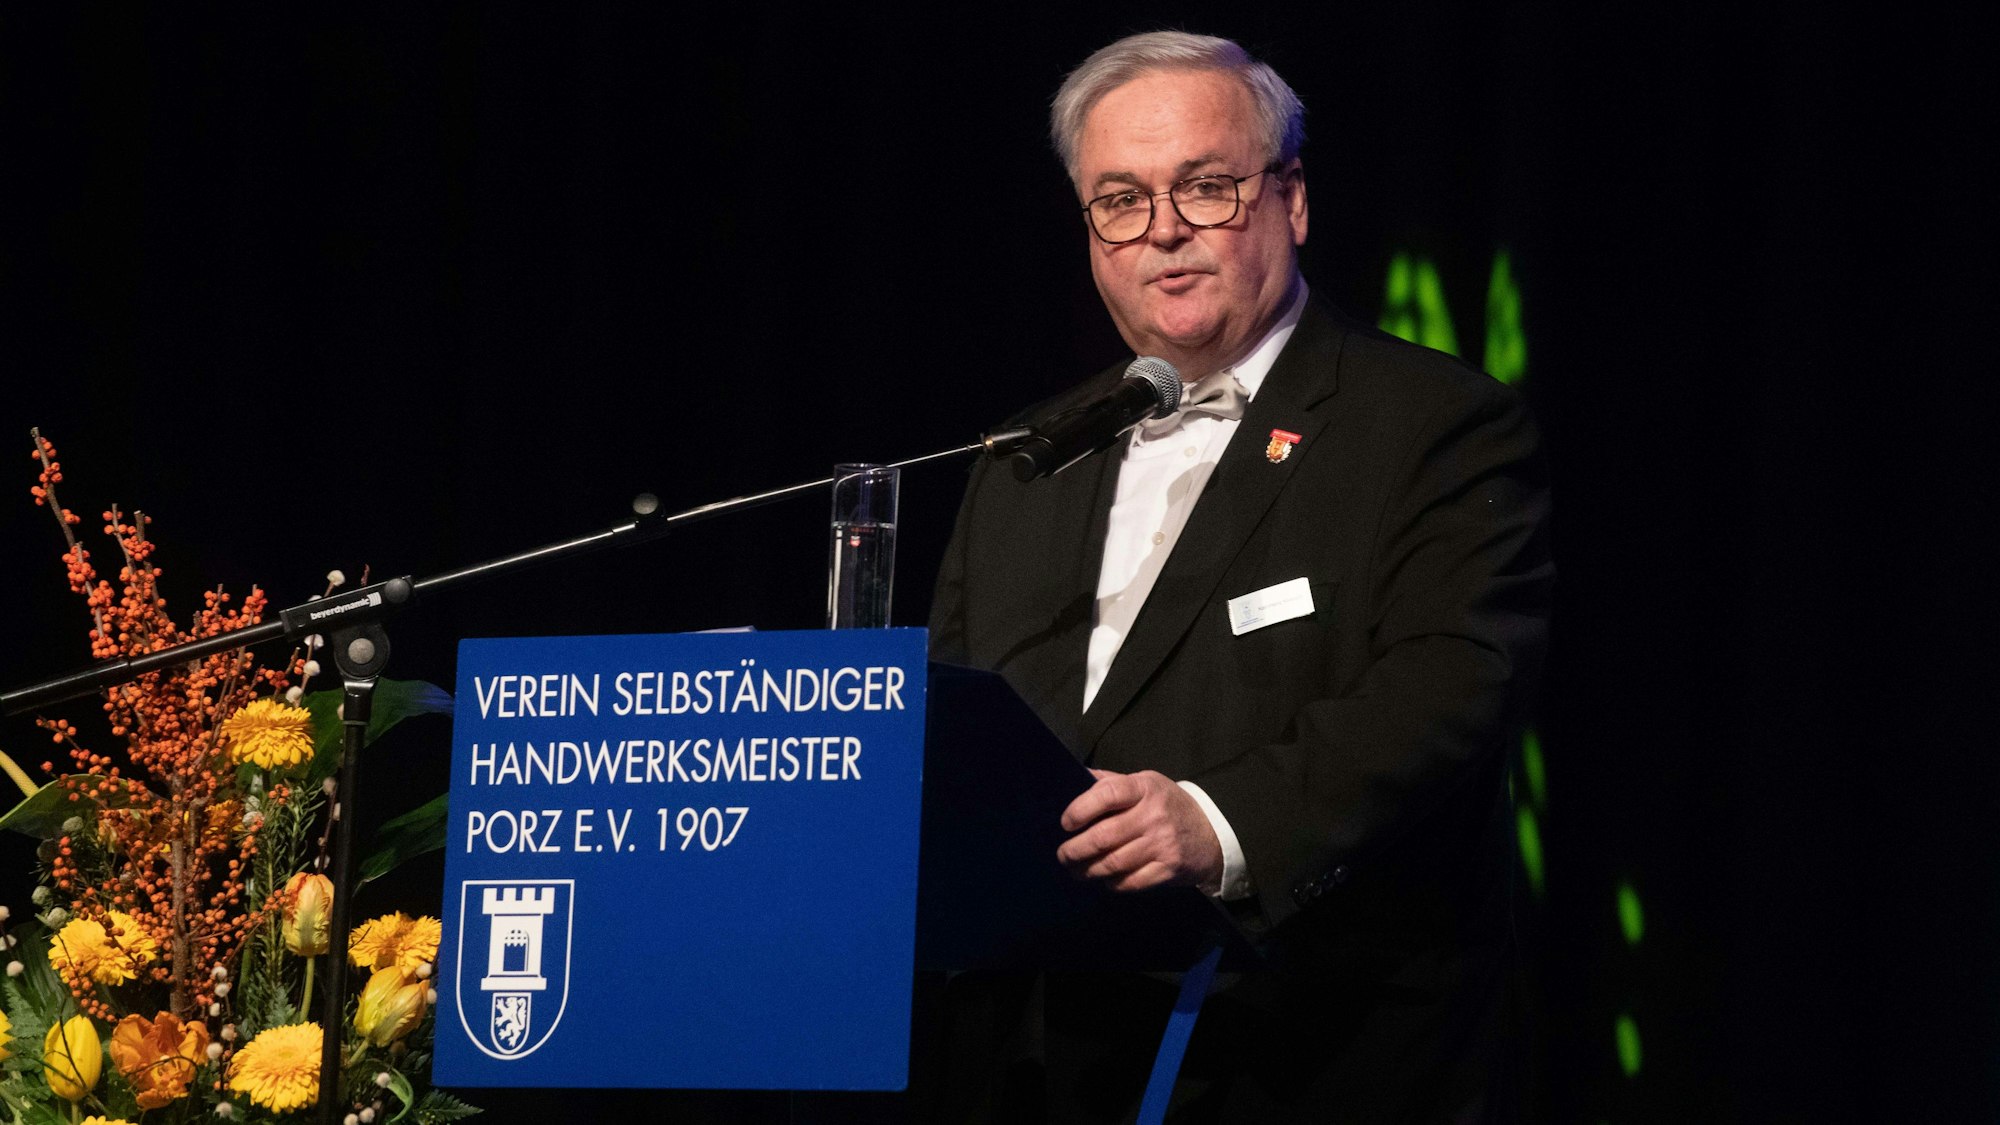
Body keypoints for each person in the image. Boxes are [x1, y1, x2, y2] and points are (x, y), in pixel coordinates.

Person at [927, 30, 1554, 1122]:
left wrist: (1215, 822)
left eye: (1203, 187)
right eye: (1119, 200)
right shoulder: (1024, 455)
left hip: (1300, 1051)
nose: (1161, 230)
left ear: (1290, 199)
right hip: (1025, 1061)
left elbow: (1451, 685)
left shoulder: (1429, 423)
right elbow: (954, 714)